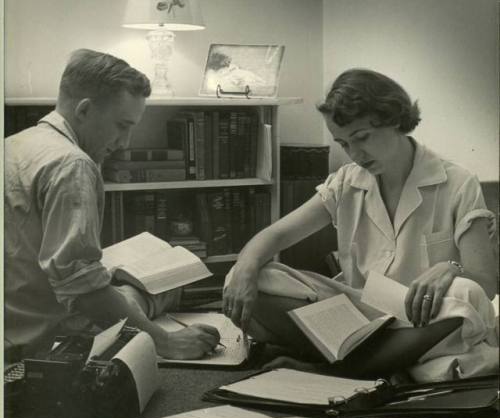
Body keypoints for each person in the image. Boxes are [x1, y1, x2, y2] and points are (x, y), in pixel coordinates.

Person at [223, 68, 498, 380]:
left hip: (426, 320)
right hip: (360, 320)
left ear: (394, 119)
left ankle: (333, 368)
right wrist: (245, 268)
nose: (355, 154)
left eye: (362, 138)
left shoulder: (458, 182)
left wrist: (451, 267)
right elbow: (275, 235)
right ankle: (376, 363)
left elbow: (486, 284)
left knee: (466, 293)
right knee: (251, 276)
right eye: (344, 144)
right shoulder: (347, 181)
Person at [5, 49, 220, 362]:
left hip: (12, 322)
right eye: (122, 125)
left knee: (131, 290)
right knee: (154, 290)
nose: (126, 142)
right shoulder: (72, 164)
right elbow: (82, 288)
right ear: (84, 110)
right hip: (39, 342)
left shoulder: (14, 144)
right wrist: (165, 342)